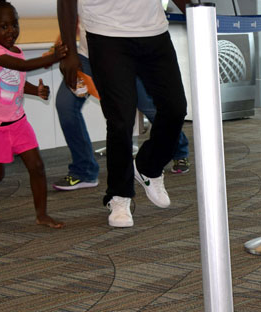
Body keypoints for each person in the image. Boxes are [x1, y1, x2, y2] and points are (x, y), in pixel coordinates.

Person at [57, 0, 192, 228]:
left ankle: (147, 167)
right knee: (120, 118)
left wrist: (194, 11)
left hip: (152, 29)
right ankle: (119, 198)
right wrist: (70, 51)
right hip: (106, 34)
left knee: (176, 108)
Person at [52, 27, 190, 192]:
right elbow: (72, 18)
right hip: (86, 56)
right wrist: (62, 47)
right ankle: (84, 170)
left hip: (124, 55)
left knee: (149, 107)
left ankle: (179, 150)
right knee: (65, 105)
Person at [0, 0, 67, 228]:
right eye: (4, 26)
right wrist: (52, 58)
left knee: (37, 166)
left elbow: (16, 81)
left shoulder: (16, 50)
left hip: (17, 122)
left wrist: (37, 90)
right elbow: (21, 67)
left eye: (15, 24)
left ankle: (41, 215)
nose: (11, 30)